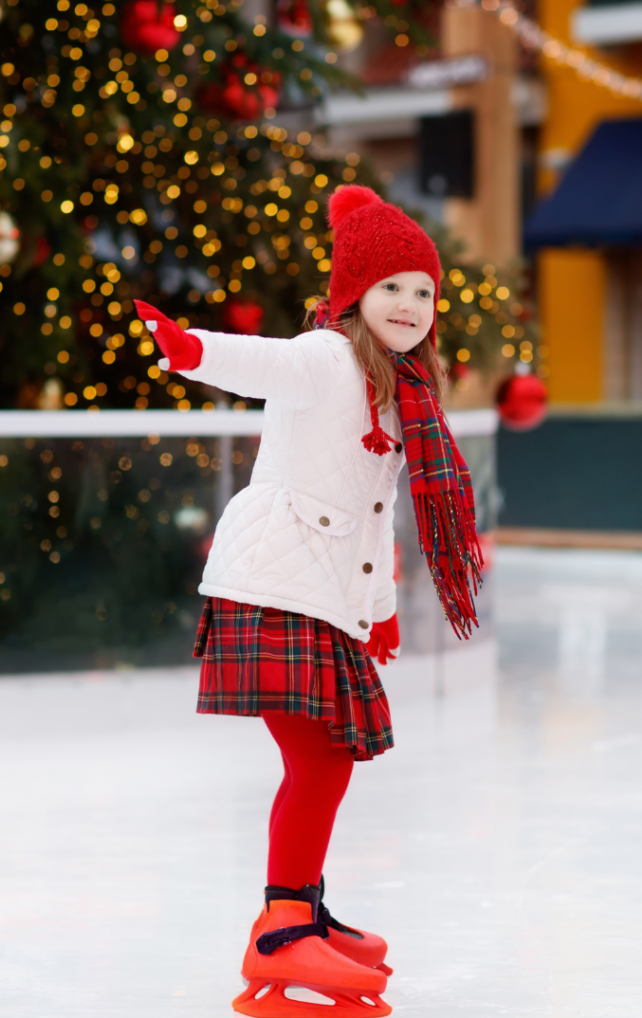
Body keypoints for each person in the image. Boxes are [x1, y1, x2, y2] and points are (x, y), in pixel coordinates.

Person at [133, 185, 482, 1018]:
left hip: (316, 595)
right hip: (271, 587)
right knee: (321, 759)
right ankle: (284, 930)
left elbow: (371, 516)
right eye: (391, 286)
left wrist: (382, 606)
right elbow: (263, 362)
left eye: (423, 291)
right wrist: (190, 352)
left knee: (324, 759)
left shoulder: (405, 395)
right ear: (354, 295)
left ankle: (301, 913)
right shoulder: (329, 357)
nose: (408, 304)